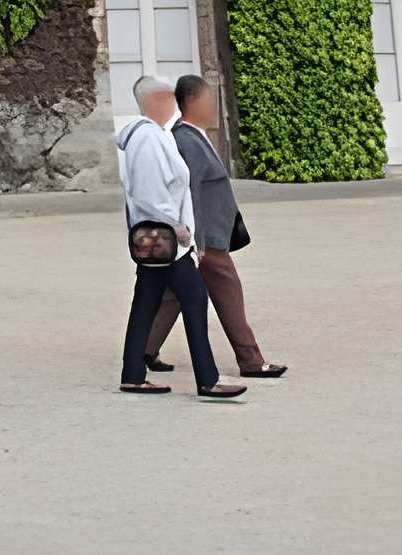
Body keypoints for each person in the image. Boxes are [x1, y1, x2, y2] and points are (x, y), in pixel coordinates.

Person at [144, 75, 283, 381]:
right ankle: (251, 360)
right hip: (206, 240)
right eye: (209, 101)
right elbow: (188, 192)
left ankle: (144, 349)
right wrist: (198, 241)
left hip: (206, 236)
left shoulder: (194, 135)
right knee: (228, 291)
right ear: (192, 102)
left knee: (172, 294)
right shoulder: (185, 139)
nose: (214, 108)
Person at [114, 77, 239, 400]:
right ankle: (207, 380)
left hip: (161, 238)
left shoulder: (154, 136)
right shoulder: (147, 139)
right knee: (195, 299)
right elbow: (149, 193)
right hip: (168, 238)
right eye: (168, 96)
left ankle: (132, 375)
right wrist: (180, 229)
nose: (173, 102)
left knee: (145, 302)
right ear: (155, 99)